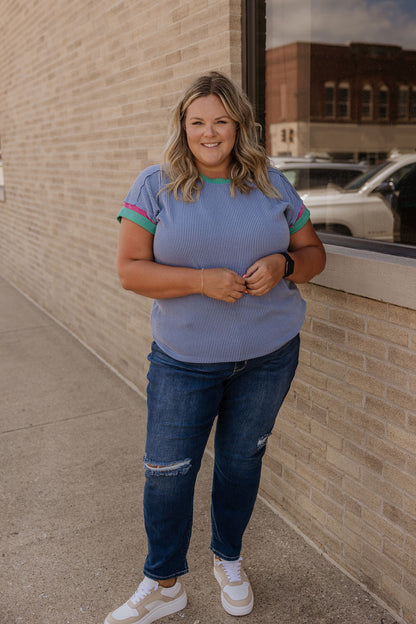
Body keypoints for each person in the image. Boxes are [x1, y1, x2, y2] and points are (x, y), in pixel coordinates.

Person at [105, 71, 326, 624]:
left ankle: (228, 559)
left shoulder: (273, 184)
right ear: (183, 126)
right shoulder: (154, 186)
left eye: (221, 121)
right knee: (167, 471)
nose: (210, 133)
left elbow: (315, 254)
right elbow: (130, 271)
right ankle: (164, 582)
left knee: (239, 462)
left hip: (269, 355)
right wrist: (201, 281)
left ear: (239, 126)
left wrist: (286, 265)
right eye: (198, 121)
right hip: (184, 361)